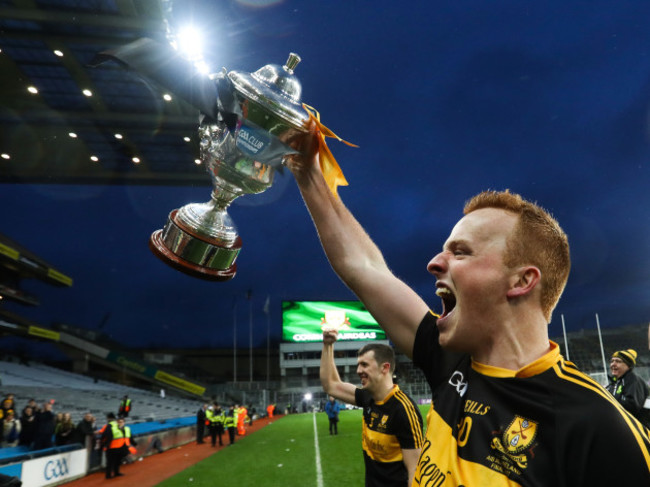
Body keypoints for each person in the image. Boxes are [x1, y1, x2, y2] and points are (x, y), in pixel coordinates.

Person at [286, 131, 650, 485]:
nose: (433, 263)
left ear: (522, 281)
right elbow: (364, 269)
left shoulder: (597, 426)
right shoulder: (448, 358)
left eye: (460, 252)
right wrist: (308, 171)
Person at [321, 331, 423, 486]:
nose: (358, 370)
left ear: (384, 368)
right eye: (358, 365)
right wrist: (328, 345)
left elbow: (415, 470)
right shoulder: (367, 397)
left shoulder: (403, 409)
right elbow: (331, 385)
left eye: (364, 364)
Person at [606, 349, 650, 426]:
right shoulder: (614, 383)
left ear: (628, 365)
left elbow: (632, 406)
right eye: (612, 361)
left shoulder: (634, 381)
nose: (613, 364)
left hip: (637, 431)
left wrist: (609, 404)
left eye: (618, 361)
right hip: (621, 428)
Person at [101, 412, 124, 479]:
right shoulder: (117, 424)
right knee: (117, 461)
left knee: (110, 462)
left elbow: (105, 435)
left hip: (111, 446)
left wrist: (104, 444)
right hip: (119, 445)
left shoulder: (109, 426)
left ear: (108, 418)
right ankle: (116, 473)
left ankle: (108, 475)